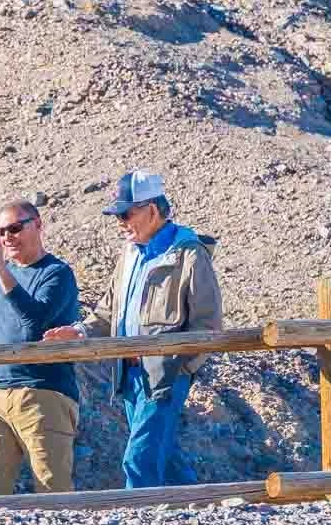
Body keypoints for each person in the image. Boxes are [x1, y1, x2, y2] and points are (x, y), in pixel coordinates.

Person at [44, 170, 221, 489]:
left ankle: (135, 523)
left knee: (138, 458)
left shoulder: (189, 254)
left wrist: (180, 368)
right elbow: (109, 311)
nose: (120, 221)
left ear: (152, 210)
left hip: (164, 376)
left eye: (126, 213)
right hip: (129, 374)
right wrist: (80, 331)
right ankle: (200, 509)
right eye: (118, 215)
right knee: (162, 455)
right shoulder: (129, 255)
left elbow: (207, 323)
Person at [0, 199, 82, 497]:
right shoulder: (5, 276)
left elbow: (34, 324)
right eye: (2, 231)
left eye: (16, 228)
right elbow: (0, 331)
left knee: (52, 488)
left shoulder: (57, 274)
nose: (8, 237)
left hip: (42, 394)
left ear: (39, 225)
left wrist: (0, 270)